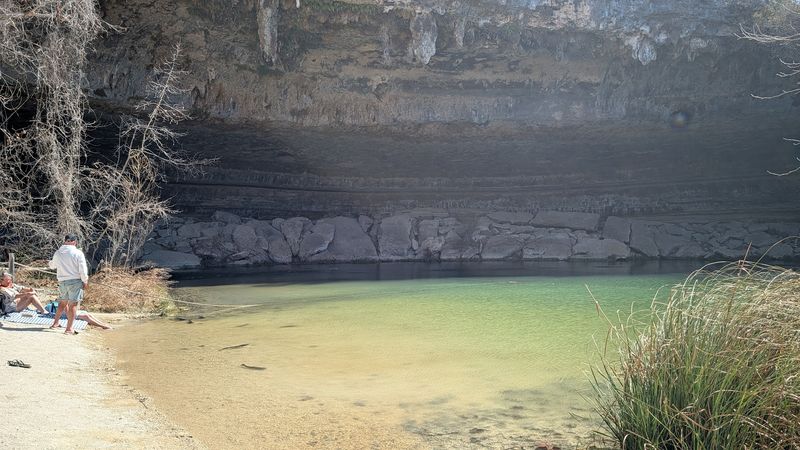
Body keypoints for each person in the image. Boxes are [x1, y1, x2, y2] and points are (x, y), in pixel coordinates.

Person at [48, 233, 88, 335]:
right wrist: (85, 280)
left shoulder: (58, 252)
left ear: (65, 241)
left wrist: (49, 263)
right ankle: (69, 329)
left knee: (62, 303)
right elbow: (82, 269)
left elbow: (52, 266)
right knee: (73, 304)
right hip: (75, 281)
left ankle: (55, 323)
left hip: (62, 281)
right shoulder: (78, 253)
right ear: (74, 242)